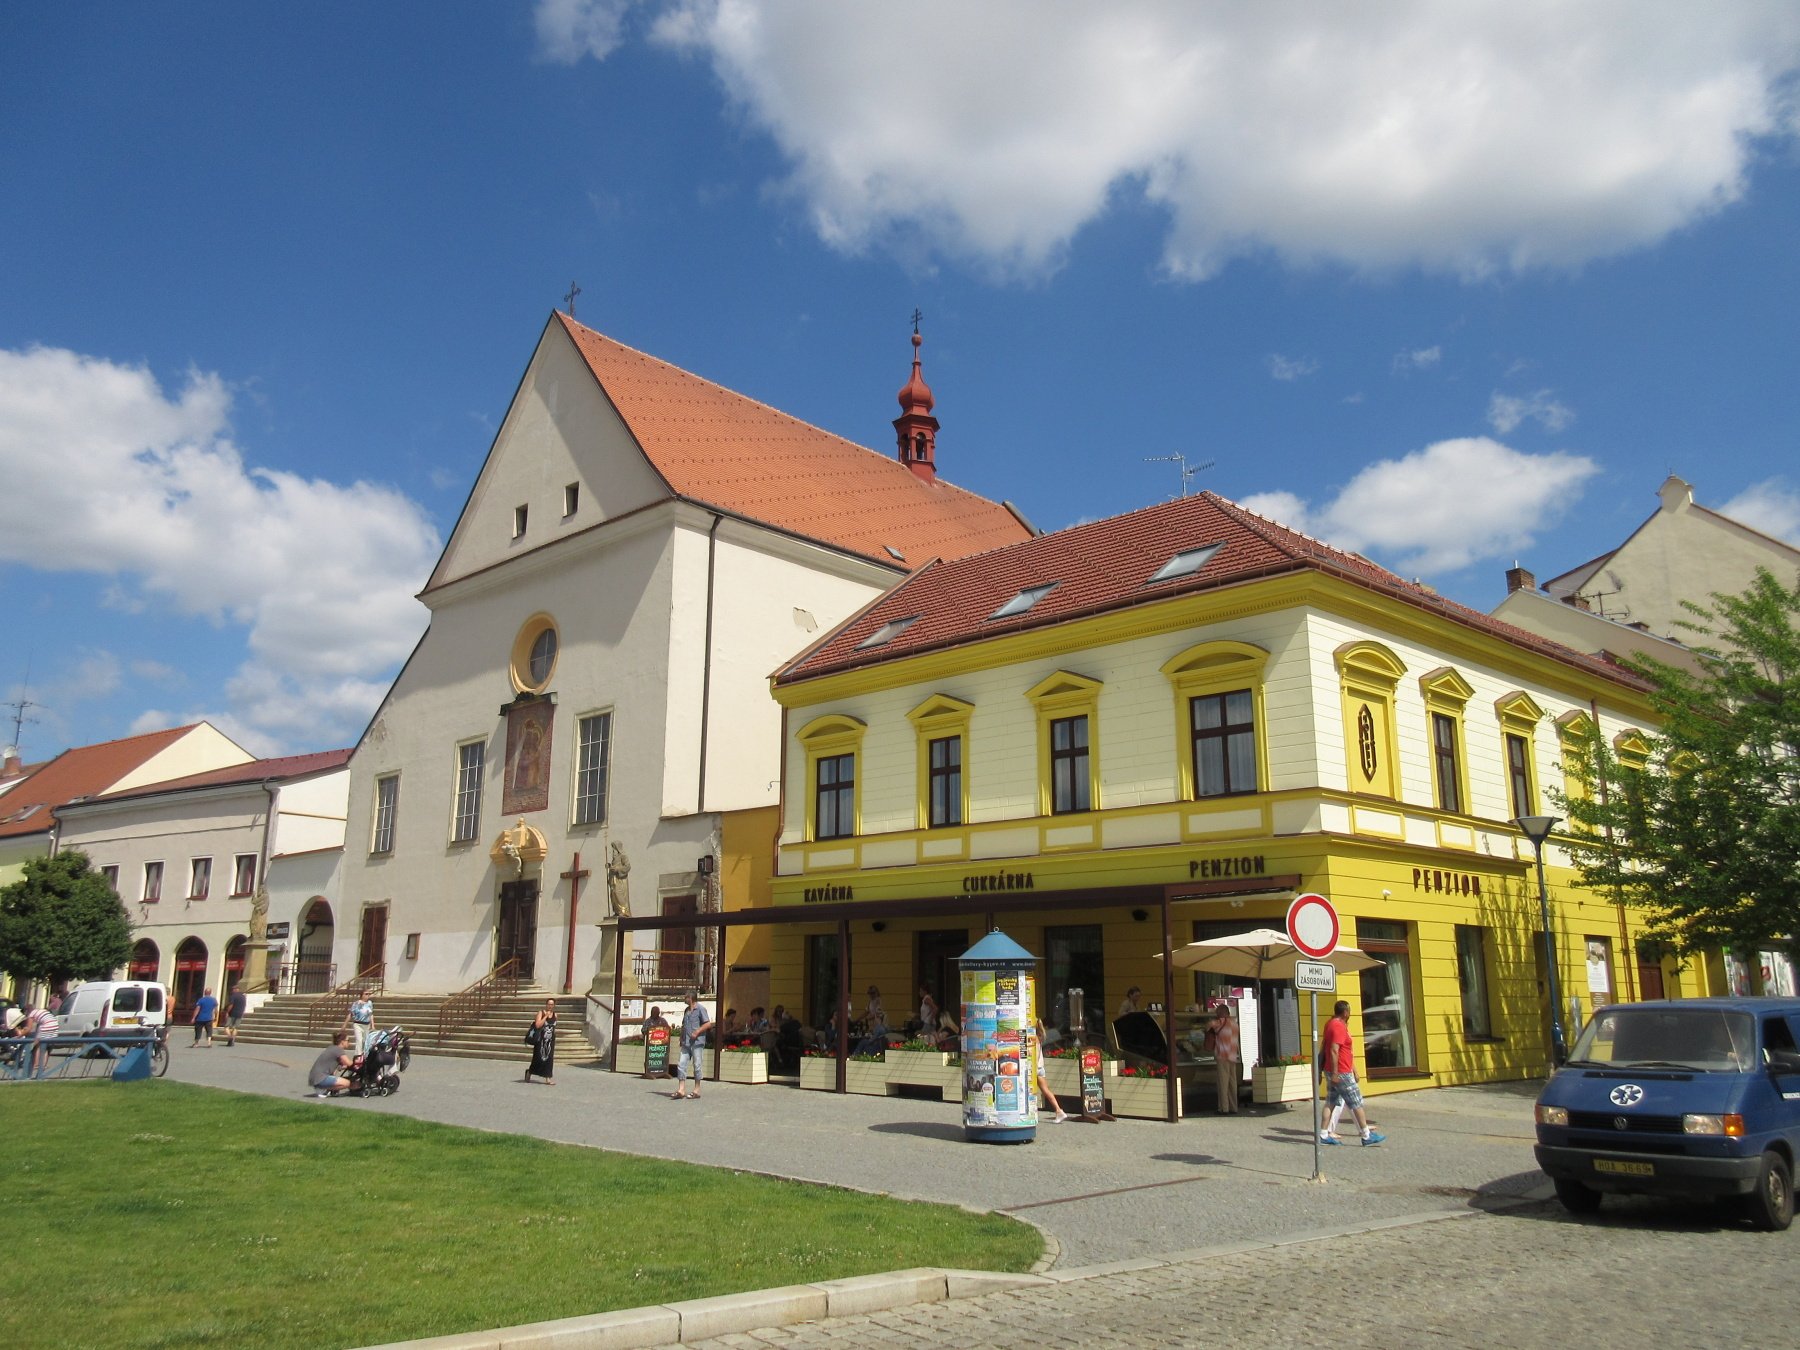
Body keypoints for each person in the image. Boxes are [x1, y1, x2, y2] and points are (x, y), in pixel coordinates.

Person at [1319, 1000, 1385, 1146]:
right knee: (1356, 1102)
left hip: (1334, 1070)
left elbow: (1338, 1049)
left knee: (1330, 1102)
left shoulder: (1330, 1023)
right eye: (1349, 1011)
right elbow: (1334, 1050)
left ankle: (1323, 1134)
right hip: (1341, 1072)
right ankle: (1366, 1135)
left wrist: (1351, 1069)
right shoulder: (1338, 1026)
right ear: (1345, 1012)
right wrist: (1336, 1073)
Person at [673, 991, 714, 1100]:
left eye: (685, 997)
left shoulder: (700, 1009)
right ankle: (681, 1090)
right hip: (686, 1042)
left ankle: (696, 1090)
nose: (684, 999)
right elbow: (684, 1025)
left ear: (690, 998)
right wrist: (681, 1037)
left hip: (697, 1043)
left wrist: (697, 1031)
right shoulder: (686, 1010)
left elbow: (708, 1024)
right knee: (681, 1064)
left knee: (697, 1065)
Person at [1208, 1003, 1240, 1114]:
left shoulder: (1220, 1022)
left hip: (1222, 1056)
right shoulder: (1235, 1024)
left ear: (1221, 1013)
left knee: (1223, 1083)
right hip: (1233, 1056)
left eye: (1217, 1012)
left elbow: (1208, 1025)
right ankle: (1233, 1107)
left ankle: (1223, 1108)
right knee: (1232, 1083)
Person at [1033, 1019, 1068, 1122]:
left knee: (1031, 1090)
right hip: (1040, 1068)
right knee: (1046, 1090)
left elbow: (1035, 1055)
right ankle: (1059, 1111)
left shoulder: (1033, 1038)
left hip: (1035, 1068)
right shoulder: (1039, 1037)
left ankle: (1058, 1111)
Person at [308, 1030, 354, 1097]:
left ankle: (323, 1088)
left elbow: (339, 1067)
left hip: (314, 1077)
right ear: (342, 1041)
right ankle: (324, 1089)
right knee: (347, 1083)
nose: (349, 1043)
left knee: (344, 1081)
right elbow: (349, 1063)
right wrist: (356, 1061)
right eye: (348, 1040)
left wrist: (343, 1067)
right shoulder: (338, 1050)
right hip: (320, 1078)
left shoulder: (332, 1048)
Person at [524, 997, 558, 1085]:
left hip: (550, 1040)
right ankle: (529, 1072)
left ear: (554, 1005)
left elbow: (554, 1027)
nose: (550, 1006)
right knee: (537, 1058)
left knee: (549, 1059)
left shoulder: (555, 1015)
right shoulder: (541, 1013)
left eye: (552, 1004)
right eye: (549, 1004)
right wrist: (545, 1016)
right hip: (540, 1040)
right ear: (546, 1004)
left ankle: (548, 1078)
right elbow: (537, 1025)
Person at [22, 1003, 59, 1077]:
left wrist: (19, 1035)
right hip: (55, 1026)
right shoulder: (40, 1011)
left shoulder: (31, 1014)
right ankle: (43, 1065)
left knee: (38, 1046)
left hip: (46, 1026)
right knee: (46, 1047)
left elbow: (29, 1029)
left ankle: (36, 1064)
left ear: (27, 1011)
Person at [642, 1005, 671, 1079]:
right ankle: (649, 1072)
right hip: (651, 1045)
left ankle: (663, 1072)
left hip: (661, 1044)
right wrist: (649, 1031)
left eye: (656, 1012)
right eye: (653, 1012)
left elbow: (667, 1029)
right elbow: (643, 1030)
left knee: (661, 1057)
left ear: (658, 1013)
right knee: (650, 1057)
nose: (654, 1014)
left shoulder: (663, 1020)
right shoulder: (648, 1021)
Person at [345, 992, 375, 1056]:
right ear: (362, 995)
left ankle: (364, 1056)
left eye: (369, 994)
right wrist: (345, 1025)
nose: (368, 995)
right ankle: (358, 1056)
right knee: (359, 1040)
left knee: (365, 1041)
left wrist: (373, 1025)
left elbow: (371, 1014)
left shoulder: (369, 1003)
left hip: (366, 1025)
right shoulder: (356, 1003)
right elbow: (350, 1014)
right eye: (366, 994)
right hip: (358, 1024)